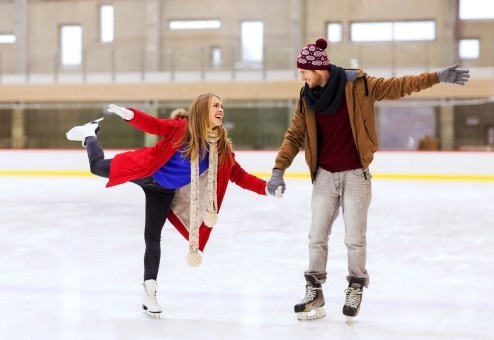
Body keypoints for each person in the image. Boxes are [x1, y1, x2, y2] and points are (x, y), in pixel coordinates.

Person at [266, 38, 469, 322]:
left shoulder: (357, 85)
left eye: (304, 71)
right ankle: (314, 289)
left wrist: (436, 77)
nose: (301, 76)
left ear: (319, 68)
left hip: (355, 174)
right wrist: (278, 169)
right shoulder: (306, 97)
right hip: (324, 175)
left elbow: (398, 86)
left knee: (354, 238)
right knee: (316, 236)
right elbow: (294, 135)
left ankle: (355, 285)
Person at [65, 93, 283, 317]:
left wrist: (266, 187)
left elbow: (240, 176)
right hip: (145, 169)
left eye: (222, 106)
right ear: (201, 109)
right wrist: (131, 115)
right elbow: (154, 125)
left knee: (152, 236)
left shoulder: (220, 150)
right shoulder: (182, 128)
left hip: (163, 191)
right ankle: (90, 134)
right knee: (96, 167)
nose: (221, 109)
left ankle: (149, 291)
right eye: (215, 105)